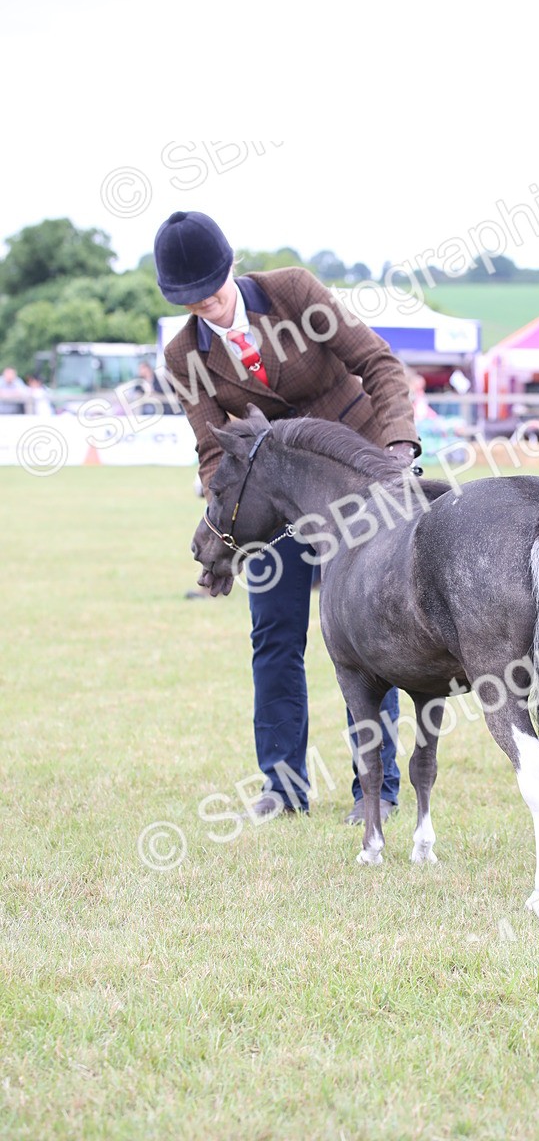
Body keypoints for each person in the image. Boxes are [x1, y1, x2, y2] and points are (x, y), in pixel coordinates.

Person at [153, 211, 421, 823]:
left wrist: (399, 450)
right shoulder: (182, 356)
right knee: (274, 637)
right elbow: (213, 447)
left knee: (371, 635)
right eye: (191, 303)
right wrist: (224, 518)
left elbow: (378, 364)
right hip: (271, 506)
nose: (208, 309)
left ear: (231, 268)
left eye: (213, 292)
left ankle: (374, 788)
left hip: (357, 482)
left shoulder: (293, 291)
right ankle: (282, 786)